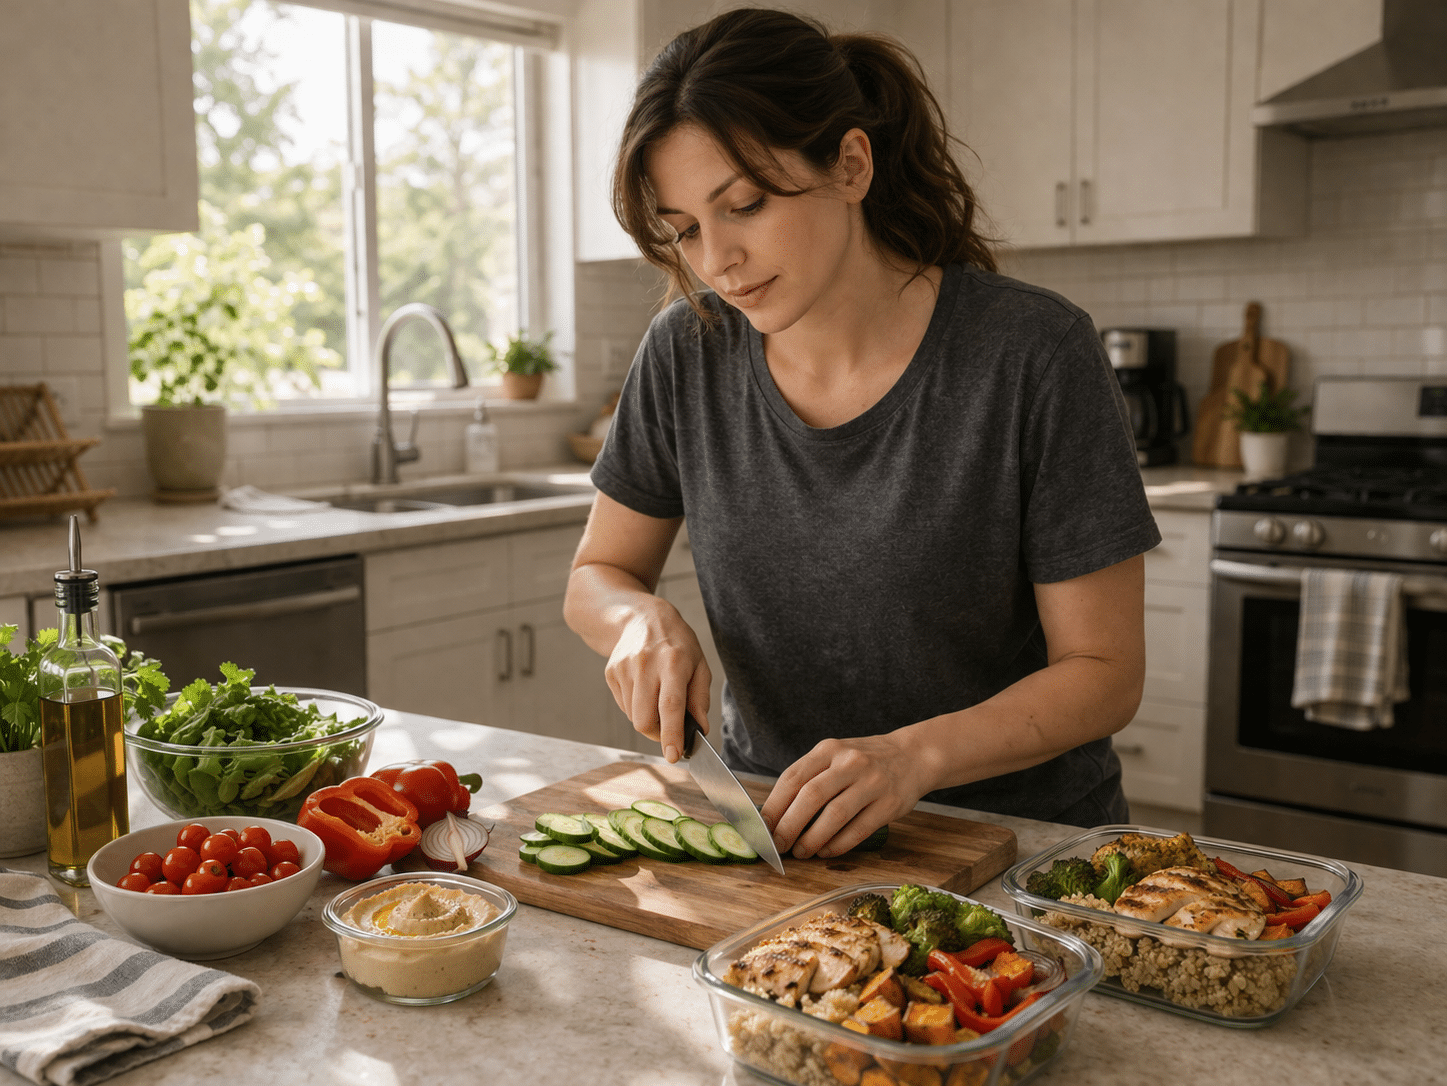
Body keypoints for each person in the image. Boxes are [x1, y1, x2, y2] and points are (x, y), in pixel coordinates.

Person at [562, 7, 1160, 861]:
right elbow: (597, 574)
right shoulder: (685, 351)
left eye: (746, 205)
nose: (717, 259)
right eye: (685, 227)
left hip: (1024, 849)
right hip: (784, 839)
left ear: (850, 164)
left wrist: (911, 756)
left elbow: (1104, 674)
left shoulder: (1031, 353)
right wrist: (634, 622)